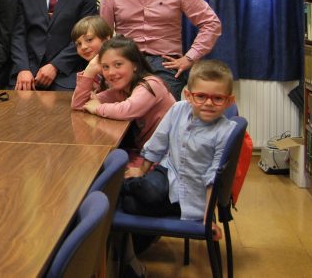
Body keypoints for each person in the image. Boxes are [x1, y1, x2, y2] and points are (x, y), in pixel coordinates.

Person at [120, 59, 237, 274]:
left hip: (190, 195)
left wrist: (206, 219)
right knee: (150, 190)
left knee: (132, 204)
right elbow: (158, 142)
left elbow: (214, 178)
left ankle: (119, 189)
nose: (208, 103)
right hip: (168, 172)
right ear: (188, 95)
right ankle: (123, 190)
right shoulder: (178, 109)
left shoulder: (225, 132)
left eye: (217, 98)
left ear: (230, 101)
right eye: (201, 96)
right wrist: (142, 170)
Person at [101, 0, 222, 99]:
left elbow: (211, 23)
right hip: (126, 62)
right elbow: (104, 35)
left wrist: (189, 58)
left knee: (161, 115)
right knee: (123, 116)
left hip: (165, 64)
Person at [72, 36, 175, 162]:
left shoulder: (151, 84)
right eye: (105, 67)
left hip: (169, 158)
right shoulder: (122, 90)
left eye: (118, 64)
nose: (111, 72)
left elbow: (127, 110)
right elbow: (79, 105)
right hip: (148, 154)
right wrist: (89, 71)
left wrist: (98, 107)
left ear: (135, 65)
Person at [70, 15, 113, 92]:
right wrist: (88, 72)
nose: (83, 47)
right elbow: (78, 102)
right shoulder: (91, 68)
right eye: (79, 44)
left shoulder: (119, 65)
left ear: (106, 39)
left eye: (89, 40)